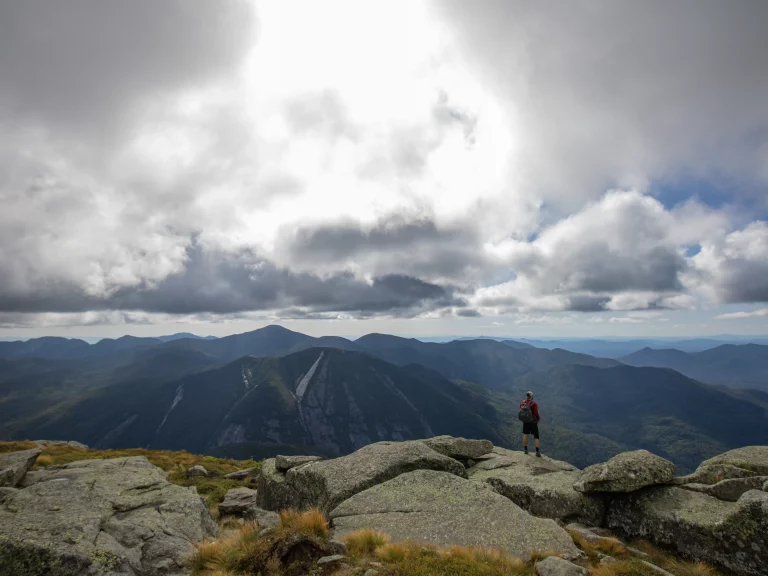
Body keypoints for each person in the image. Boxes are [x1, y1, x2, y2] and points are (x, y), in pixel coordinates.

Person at [520, 391, 541, 457]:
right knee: (536, 436)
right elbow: (536, 414)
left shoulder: (522, 403)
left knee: (526, 434)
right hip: (533, 422)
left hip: (525, 421)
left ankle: (525, 450)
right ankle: (537, 451)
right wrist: (538, 419)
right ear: (531, 396)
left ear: (526, 396)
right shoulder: (534, 404)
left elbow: (522, 410)